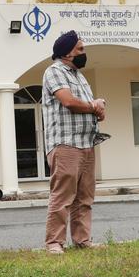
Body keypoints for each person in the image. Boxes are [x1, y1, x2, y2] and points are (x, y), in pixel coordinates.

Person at [41, 30, 106, 255]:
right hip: (65, 143)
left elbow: (88, 106)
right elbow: (68, 102)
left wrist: (98, 108)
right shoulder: (55, 72)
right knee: (63, 195)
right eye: (80, 49)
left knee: (85, 197)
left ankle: (82, 240)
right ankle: (54, 243)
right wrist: (94, 105)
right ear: (67, 53)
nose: (83, 53)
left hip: (87, 143)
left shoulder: (79, 76)